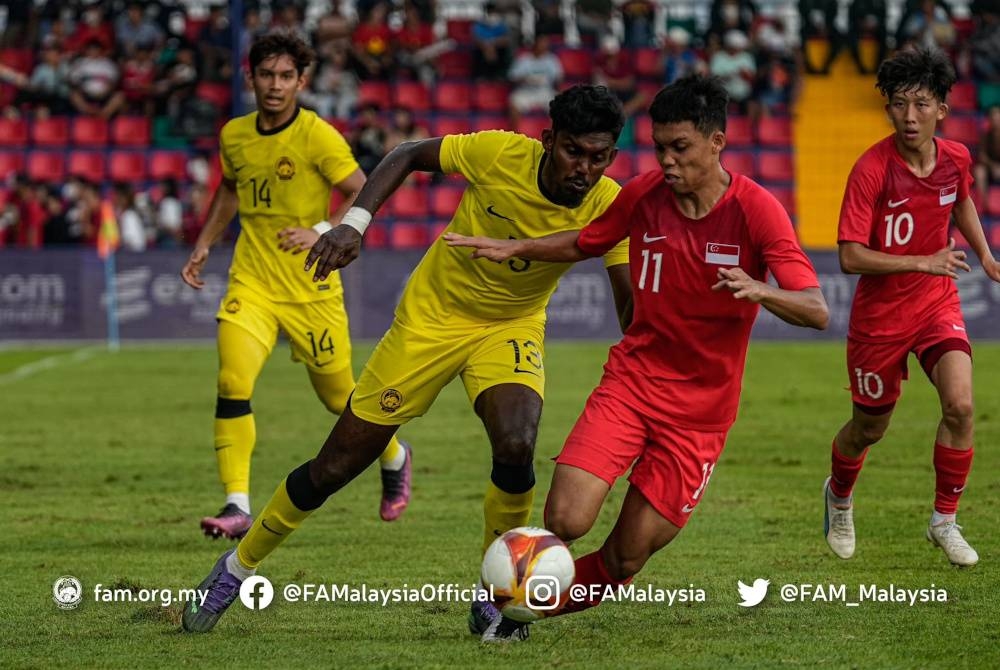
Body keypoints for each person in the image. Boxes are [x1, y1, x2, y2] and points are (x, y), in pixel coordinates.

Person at [181, 84, 633, 635]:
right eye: (573, 152)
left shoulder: (612, 203)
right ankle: (236, 566)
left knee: (516, 444)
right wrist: (353, 223)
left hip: (509, 328)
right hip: (430, 319)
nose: (583, 169)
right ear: (547, 142)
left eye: (598, 156)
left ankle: (498, 594)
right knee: (336, 467)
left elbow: (629, 302)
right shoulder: (499, 152)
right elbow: (409, 154)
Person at [445, 74, 829, 641]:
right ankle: (504, 604)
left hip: (699, 417)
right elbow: (585, 241)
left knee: (625, 559)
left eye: (681, 148)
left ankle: (526, 605)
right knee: (564, 520)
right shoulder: (644, 195)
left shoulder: (757, 211)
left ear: (716, 142)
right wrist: (516, 247)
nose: (667, 162)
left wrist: (763, 290)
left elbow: (816, 308)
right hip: (632, 384)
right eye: (660, 148)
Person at [179, 33, 412, 542]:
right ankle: (237, 504)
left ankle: (395, 454)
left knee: (338, 399)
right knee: (232, 382)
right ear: (251, 77)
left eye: (286, 76)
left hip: (311, 289)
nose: (275, 85)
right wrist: (205, 243)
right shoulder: (235, 136)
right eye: (267, 75)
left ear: (301, 82)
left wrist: (323, 231)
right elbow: (230, 189)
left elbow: (362, 191)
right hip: (253, 282)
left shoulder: (318, 137)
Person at [822, 47, 1000, 568]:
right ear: (888, 109)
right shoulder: (871, 169)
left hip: (935, 304)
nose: (909, 116)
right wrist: (923, 260)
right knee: (868, 430)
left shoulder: (957, 158)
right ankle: (838, 495)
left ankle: (944, 520)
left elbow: (960, 198)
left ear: (941, 109)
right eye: (899, 104)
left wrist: (986, 256)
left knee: (961, 405)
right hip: (879, 321)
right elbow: (850, 256)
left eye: (921, 104)